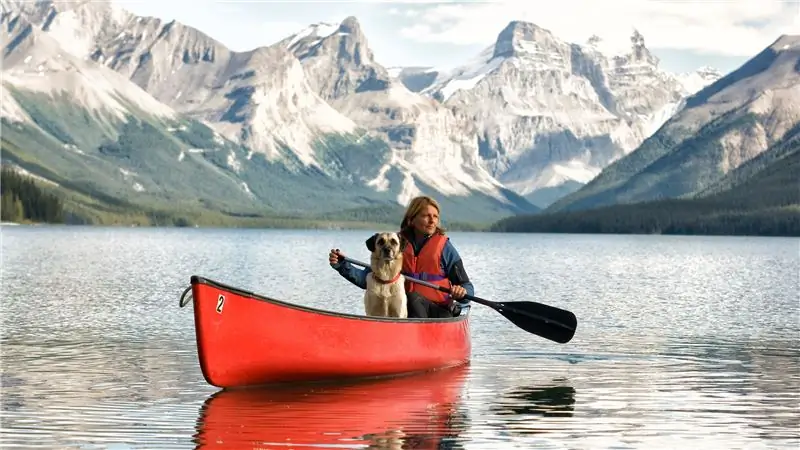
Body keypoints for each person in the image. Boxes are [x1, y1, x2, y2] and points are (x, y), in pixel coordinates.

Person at [328, 195, 474, 318]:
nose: (432, 220)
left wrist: (462, 293)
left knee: (413, 297)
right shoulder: (396, 246)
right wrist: (342, 265)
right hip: (408, 312)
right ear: (412, 219)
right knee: (411, 299)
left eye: (435, 216)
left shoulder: (445, 249)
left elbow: (467, 286)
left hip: (439, 312)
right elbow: (367, 278)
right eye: (426, 216)